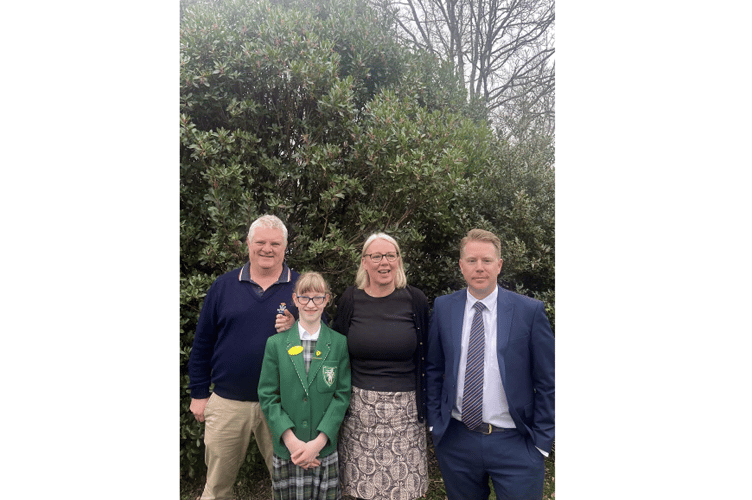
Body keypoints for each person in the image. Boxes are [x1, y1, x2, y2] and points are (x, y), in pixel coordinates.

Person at [426, 228, 555, 500]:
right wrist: (436, 425)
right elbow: (435, 369)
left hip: (516, 442)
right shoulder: (443, 307)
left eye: (486, 260)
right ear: (461, 266)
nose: (479, 267)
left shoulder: (529, 311)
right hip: (458, 440)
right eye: (472, 261)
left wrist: (542, 443)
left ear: (499, 265)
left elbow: (548, 381)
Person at [188, 214, 299, 500]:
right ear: (248, 244)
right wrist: (199, 393)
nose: (267, 249)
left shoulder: (301, 288)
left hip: (282, 403)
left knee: (289, 484)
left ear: (285, 247)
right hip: (227, 402)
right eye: (260, 242)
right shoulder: (223, 286)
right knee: (217, 486)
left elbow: (324, 343)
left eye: (275, 243)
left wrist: (297, 328)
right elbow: (202, 343)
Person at [332, 233, 430, 500]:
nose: (383, 262)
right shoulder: (351, 299)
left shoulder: (415, 300)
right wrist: (296, 323)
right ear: (364, 262)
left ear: (398, 261)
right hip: (360, 412)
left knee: (404, 492)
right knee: (361, 491)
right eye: (376, 256)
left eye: (390, 255)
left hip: (406, 414)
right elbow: (331, 345)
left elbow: (428, 355)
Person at [258, 272, 351, 500]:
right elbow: (268, 395)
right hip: (289, 449)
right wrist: (292, 442)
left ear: (326, 300)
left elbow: (341, 396)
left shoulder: (338, 343)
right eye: (305, 297)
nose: (311, 304)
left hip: (323, 450)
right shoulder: (276, 344)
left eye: (317, 297)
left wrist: (318, 443)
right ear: (295, 299)